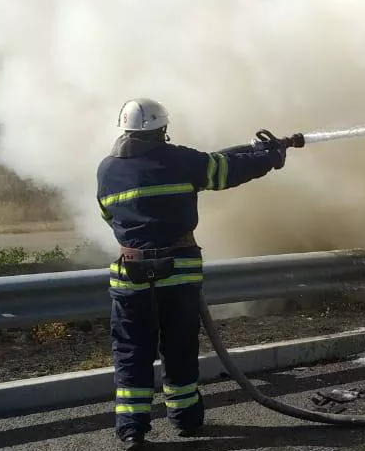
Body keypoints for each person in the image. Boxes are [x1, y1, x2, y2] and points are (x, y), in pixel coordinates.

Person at [96, 98, 291, 450]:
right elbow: (224, 170)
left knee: (131, 352)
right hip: (178, 274)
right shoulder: (178, 160)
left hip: (130, 275)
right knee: (179, 347)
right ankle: (185, 419)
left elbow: (109, 218)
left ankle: (131, 430)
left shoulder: (107, 169)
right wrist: (270, 158)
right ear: (162, 129)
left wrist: (252, 148)